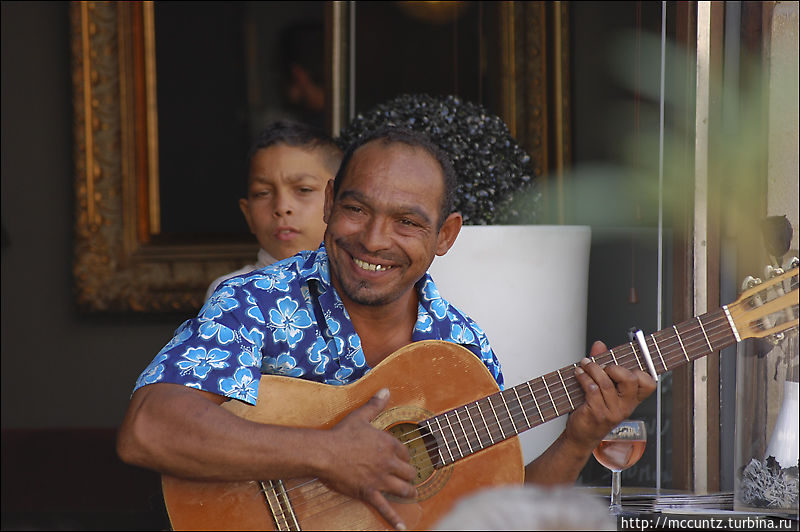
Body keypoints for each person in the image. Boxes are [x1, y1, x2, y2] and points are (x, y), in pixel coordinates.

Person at [118, 127, 657, 531]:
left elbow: (500, 515)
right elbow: (150, 429)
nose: (374, 239)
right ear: (330, 204)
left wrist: (580, 435)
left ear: (445, 235)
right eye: (356, 208)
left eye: (408, 222)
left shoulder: (458, 348)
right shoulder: (257, 300)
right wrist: (326, 454)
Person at [204, 120, 343, 300]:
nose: (282, 207)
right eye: (263, 193)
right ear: (248, 214)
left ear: (337, 202)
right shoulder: (233, 294)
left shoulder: (362, 287)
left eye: (304, 190)